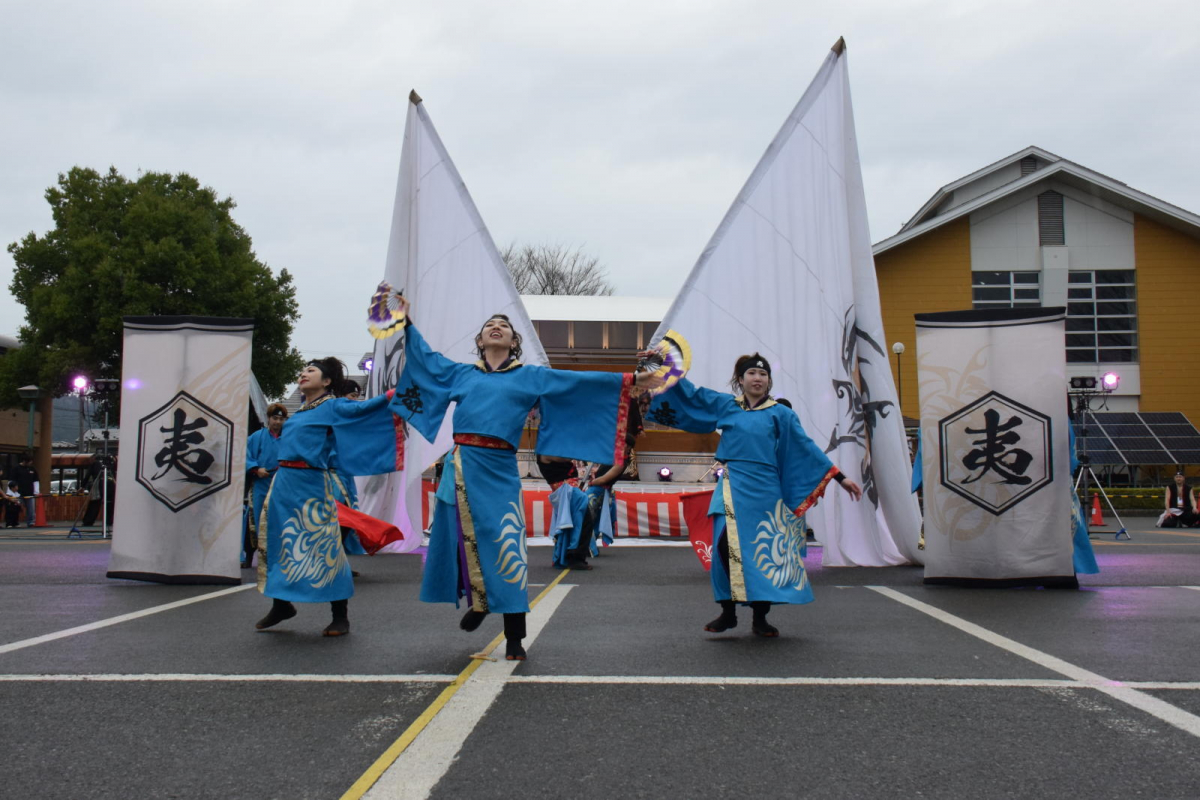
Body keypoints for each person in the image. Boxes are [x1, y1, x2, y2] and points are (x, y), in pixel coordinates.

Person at [389, 299, 648, 661]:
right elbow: (425, 360)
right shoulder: (461, 374)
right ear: (480, 341)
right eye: (489, 325)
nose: (496, 327)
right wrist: (405, 322)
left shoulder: (530, 376)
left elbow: (578, 383)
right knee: (461, 542)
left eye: (505, 326)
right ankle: (479, 602)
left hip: (499, 468)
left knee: (508, 547)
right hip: (461, 467)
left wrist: (631, 379)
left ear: (514, 343)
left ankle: (514, 636)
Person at [646, 353, 862, 637]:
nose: (757, 378)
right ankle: (728, 611)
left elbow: (805, 447)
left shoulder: (781, 414)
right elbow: (692, 396)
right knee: (724, 546)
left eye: (763, 375)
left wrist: (840, 477)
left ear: (769, 381)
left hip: (766, 491)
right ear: (740, 379)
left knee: (762, 553)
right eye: (751, 374)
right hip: (733, 485)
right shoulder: (726, 406)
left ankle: (760, 617)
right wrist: (660, 365)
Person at [254, 358, 403, 637]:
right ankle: (281, 604)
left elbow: (367, 408)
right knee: (280, 545)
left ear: (326, 382)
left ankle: (340, 616)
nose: (303, 374)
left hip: (312, 485)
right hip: (283, 484)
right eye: (302, 370)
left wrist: (393, 394)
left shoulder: (333, 405)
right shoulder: (297, 414)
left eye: (311, 371)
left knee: (327, 549)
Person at [243, 403, 288, 568]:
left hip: (281, 484)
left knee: (278, 518)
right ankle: (249, 556)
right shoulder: (256, 437)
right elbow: (245, 455)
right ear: (268, 418)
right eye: (274, 418)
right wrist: (255, 468)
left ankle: (276, 555)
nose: (277, 422)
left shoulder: (289, 437)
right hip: (261, 483)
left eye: (281, 419)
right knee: (254, 519)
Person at [537, 455, 593, 570]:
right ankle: (575, 557)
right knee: (580, 523)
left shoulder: (549, 451)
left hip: (569, 492)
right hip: (566, 492)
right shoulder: (544, 453)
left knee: (577, 523)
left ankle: (572, 556)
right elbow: (565, 458)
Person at [13, 454, 38, 528]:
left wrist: (36, 491)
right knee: (16, 508)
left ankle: (31, 522)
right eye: (29, 461)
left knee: (31, 509)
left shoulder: (32, 469)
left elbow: (36, 480)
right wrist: (13, 493)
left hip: (30, 492)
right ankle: (14, 522)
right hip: (18, 493)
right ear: (25, 461)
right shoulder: (16, 469)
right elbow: (12, 481)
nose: (30, 463)